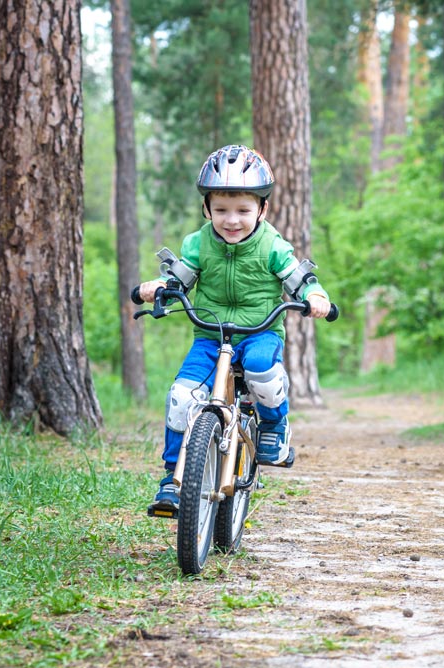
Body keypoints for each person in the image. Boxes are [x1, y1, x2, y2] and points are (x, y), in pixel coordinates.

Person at [136, 144, 332, 514]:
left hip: (259, 333)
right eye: (221, 210)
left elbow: (299, 280)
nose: (232, 220)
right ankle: (173, 481)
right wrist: (160, 287)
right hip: (210, 336)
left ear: (262, 209)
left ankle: (274, 424)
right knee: (181, 397)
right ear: (206, 208)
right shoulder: (198, 243)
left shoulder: (272, 245)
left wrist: (316, 296)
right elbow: (179, 279)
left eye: (243, 210)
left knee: (261, 369)